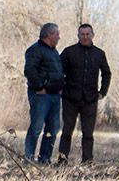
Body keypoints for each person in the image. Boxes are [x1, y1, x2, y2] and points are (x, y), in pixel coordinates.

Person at [58, 24, 112, 164]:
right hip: (70, 98)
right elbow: (58, 71)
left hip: (90, 99)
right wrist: (61, 88)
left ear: (92, 35)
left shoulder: (99, 54)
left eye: (88, 34)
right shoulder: (69, 52)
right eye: (82, 34)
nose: (85, 37)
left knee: (88, 133)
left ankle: (87, 160)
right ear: (78, 36)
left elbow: (107, 73)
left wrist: (102, 92)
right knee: (67, 131)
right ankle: (62, 159)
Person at [23, 23, 64, 164]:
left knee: (53, 128)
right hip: (40, 95)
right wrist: (40, 87)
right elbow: (30, 71)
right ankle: (28, 158)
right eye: (57, 34)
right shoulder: (35, 50)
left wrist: (60, 87)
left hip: (54, 96)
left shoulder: (54, 52)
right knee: (36, 127)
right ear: (49, 35)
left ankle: (44, 158)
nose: (59, 37)